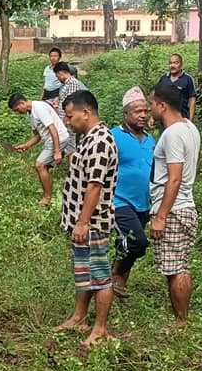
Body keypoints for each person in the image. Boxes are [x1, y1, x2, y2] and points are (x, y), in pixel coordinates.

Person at [52, 91, 119, 347]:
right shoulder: (88, 138)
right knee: (84, 272)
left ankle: (100, 328)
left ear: (86, 113)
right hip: (82, 223)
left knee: (100, 275)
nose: (68, 122)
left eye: (70, 116)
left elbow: (95, 186)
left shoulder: (100, 141)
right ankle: (80, 318)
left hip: (93, 223)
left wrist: (82, 222)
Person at [147, 80, 199, 329]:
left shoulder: (173, 134)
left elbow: (174, 177)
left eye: (151, 104)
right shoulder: (190, 128)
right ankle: (180, 318)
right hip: (185, 205)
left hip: (174, 208)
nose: (149, 109)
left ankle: (181, 321)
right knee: (179, 263)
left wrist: (161, 216)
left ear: (162, 105)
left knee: (176, 267)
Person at [109, 87, 156, 299]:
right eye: (138, 111)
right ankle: (114, 275)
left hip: (143, 202)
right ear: (126, 114)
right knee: (138, 242)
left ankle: (117, 287)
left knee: (125, 244)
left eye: (146, 111)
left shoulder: (150, 140)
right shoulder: (114, 136)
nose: (143, 115)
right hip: (120, 201)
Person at [9, 94, 69, 207]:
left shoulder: (39, 108)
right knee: (43, 167)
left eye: (17, 110)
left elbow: (53, 129)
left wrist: (57, 151)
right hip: (50, 141)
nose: (18, 112)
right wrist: (26, 145)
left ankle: (47, 198)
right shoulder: (30, 113)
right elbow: (37, 136)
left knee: (40, 165)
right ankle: (49, 195)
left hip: (58, 138)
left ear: (22, 103)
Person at [158, 53, 197, 120]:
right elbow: (158, 97)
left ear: (181, 64)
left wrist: (191, 120)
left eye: (176, 63)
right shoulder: (164, 78)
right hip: (165, 119)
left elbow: (192, 100)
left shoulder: (187, 79)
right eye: (170, 63)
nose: (172, 65)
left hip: (181, 118)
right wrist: (152, 117)